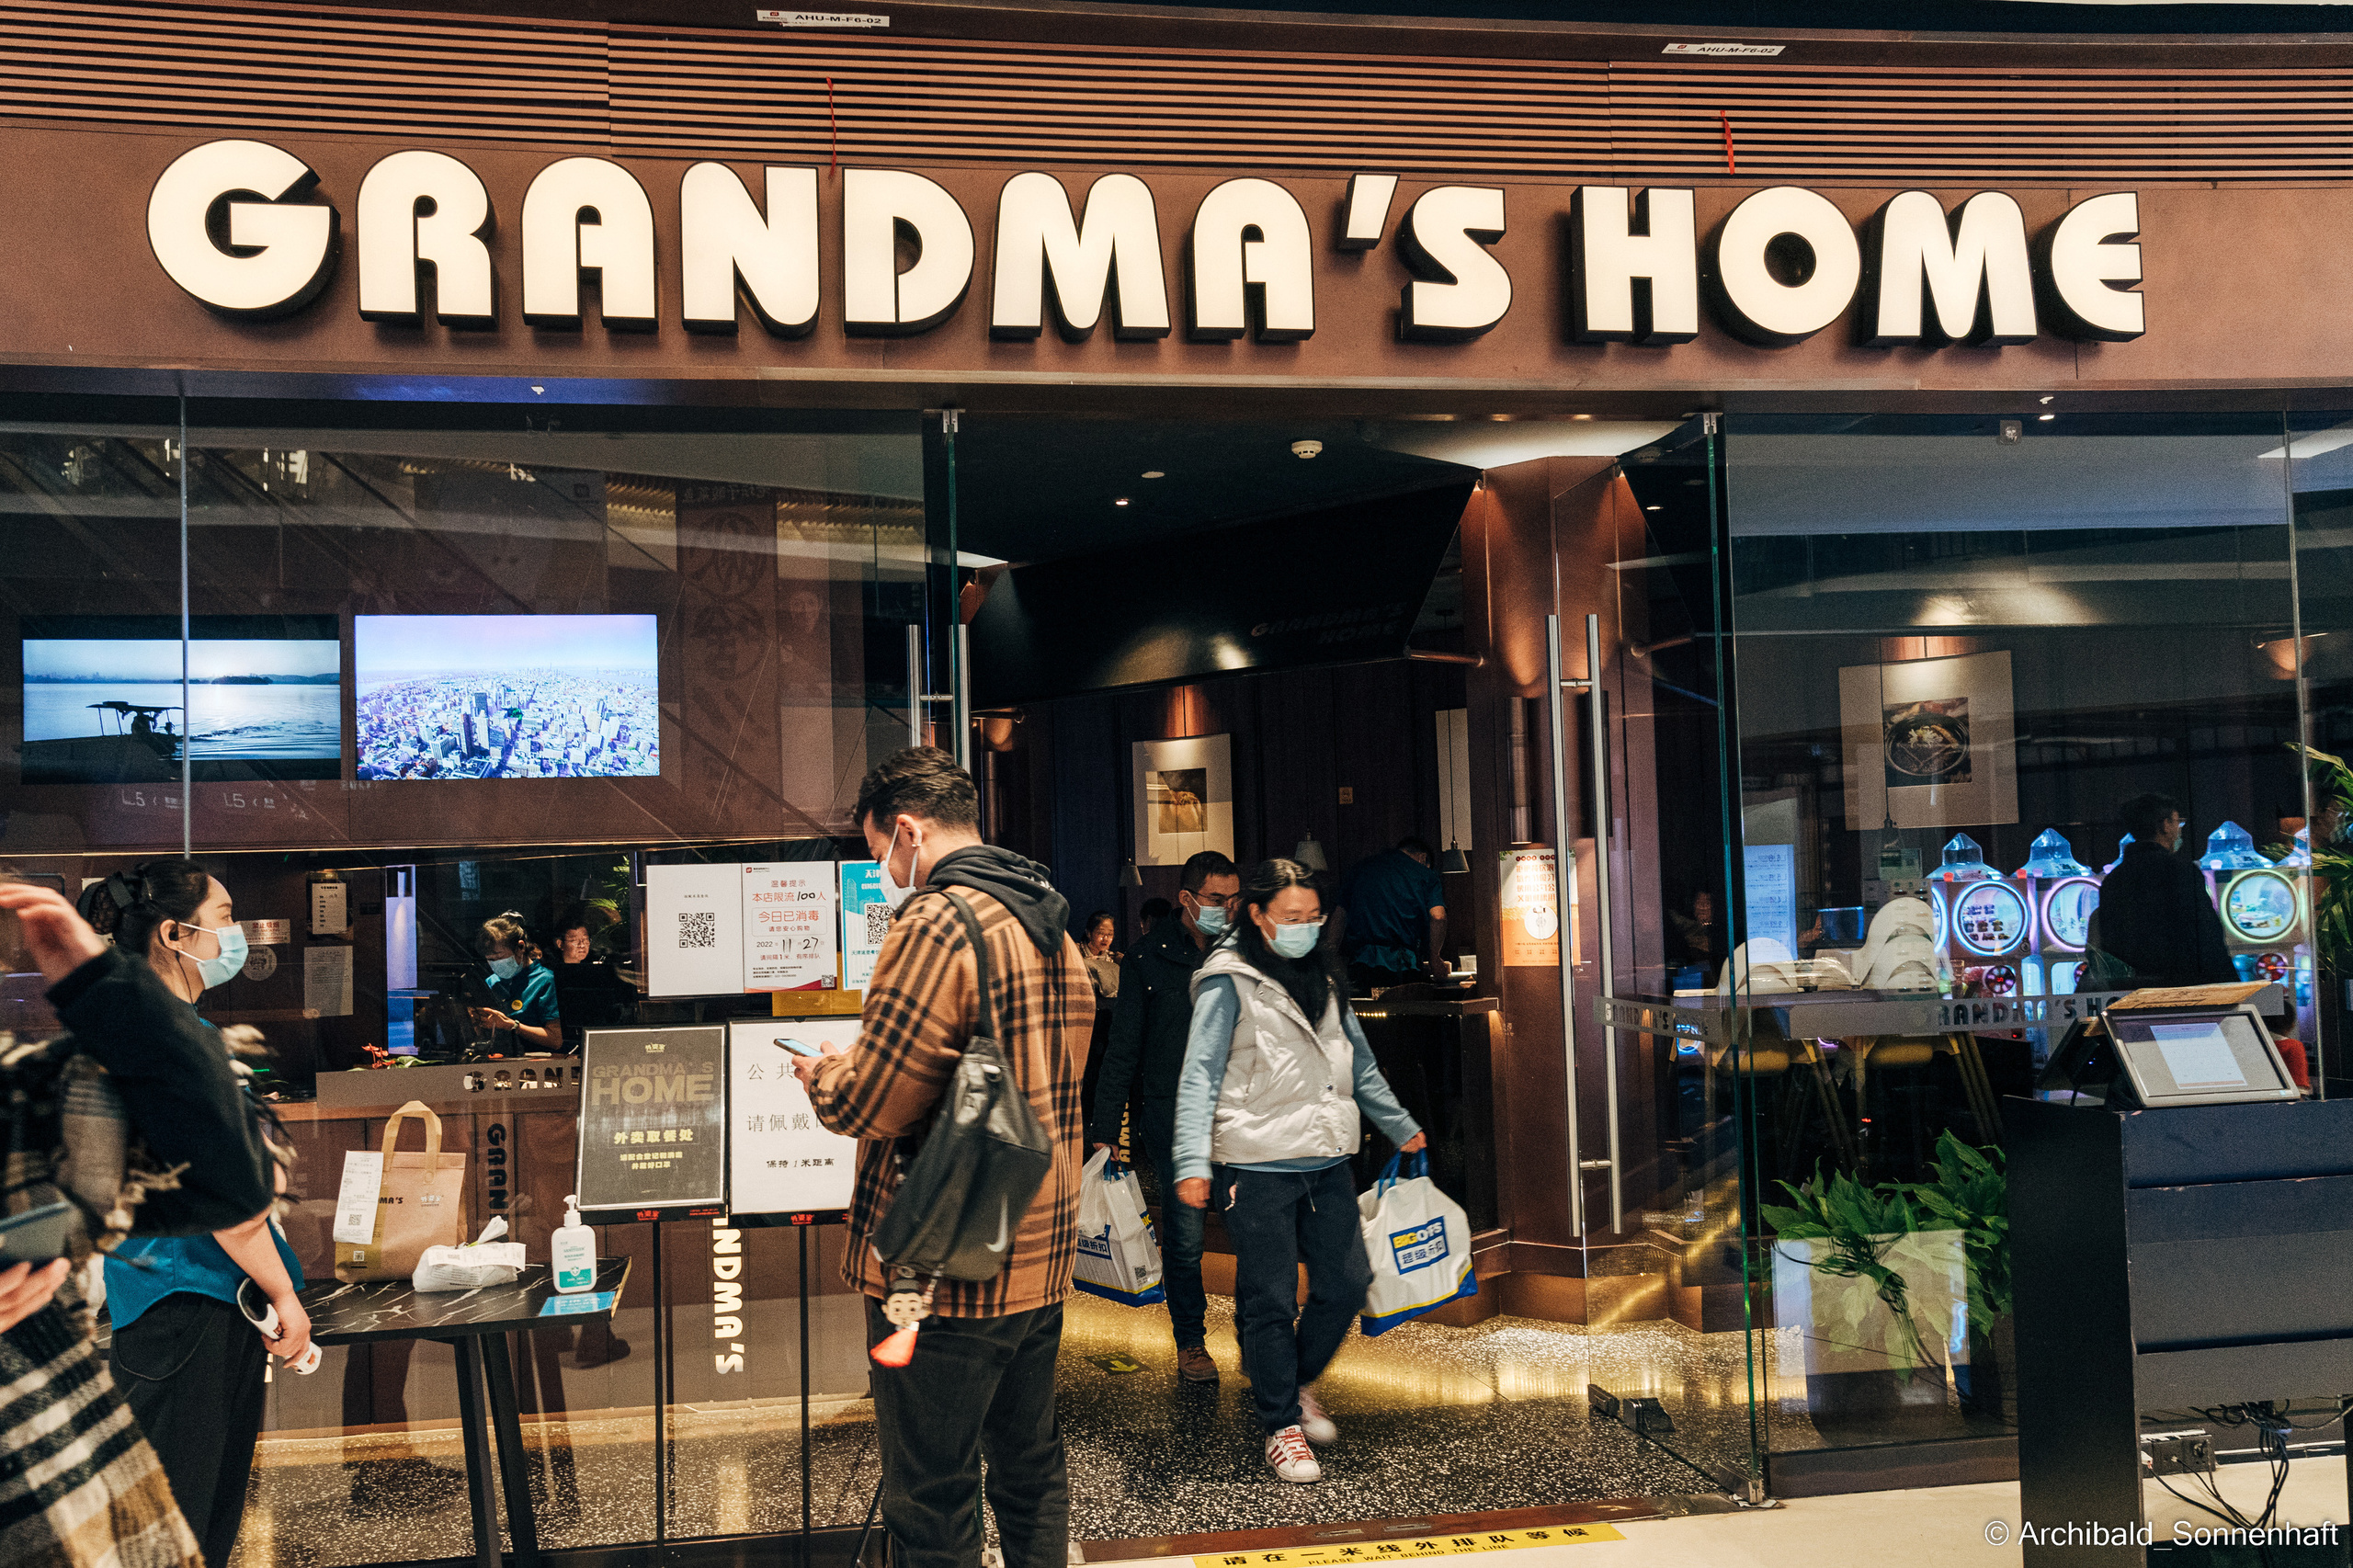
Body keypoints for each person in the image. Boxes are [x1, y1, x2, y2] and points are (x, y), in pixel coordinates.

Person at [793, 748, 1090, 1568]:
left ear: (908, 831)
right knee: (1031, 1469)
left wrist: (822, 1073)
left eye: (876, 852)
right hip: (1039, 1248)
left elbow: (871, 1103)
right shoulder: (1049, 919)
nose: (882, 872)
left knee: (931, 1492)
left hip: (946, 1268)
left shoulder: (937, 921)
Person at [0, 878, 284, 1568]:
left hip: (49, 1438)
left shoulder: (27, 1089)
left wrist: (110, 997)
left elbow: (230, 1185)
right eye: (225, 915)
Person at [77, 861, 306, 1568]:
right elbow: (229, 1210)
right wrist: (286, 1295)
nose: (237, 932)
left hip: (185, 1307)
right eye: (227, 915)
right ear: (176, 934)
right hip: (187, 1311)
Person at [1174, 858, 1426, 1484]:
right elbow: (1199, 1075)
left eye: (1313, 917)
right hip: (1255, 1164)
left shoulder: (1326, 978)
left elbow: (1360, 1067)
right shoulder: (1226, 982)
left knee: (1345, 1282)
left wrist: (1400, 1125)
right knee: (1269, 1297)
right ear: (1257, 915)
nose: (1305, 928)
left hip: (1327, 1159)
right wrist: (1190, 1161)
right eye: (1292, 918)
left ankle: (1292, 1379)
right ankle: (1280, 1423)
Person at [1084, 850, 1238, 1382]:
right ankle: (1191, 1342)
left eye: (1234, 899)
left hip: (1238, 1116)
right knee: (1187, 1236)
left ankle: (1259, 1332)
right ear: (1188, 899)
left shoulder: (1240, 953)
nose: (1228, 909)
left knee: (1254, 1228)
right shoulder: (1148, 959)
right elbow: (1123, 1049)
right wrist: (1107, 1131)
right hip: (1172, 1116)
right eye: (1218, 900)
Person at [2096, 792, 2237, 986]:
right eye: (2177, 823)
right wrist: (2228, 983)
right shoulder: (2182, 871)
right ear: (2164, 825)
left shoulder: (2113, 880)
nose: (2179, 831)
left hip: (2130, 991)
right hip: (2182, 987)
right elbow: (2207, 935)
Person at [1336, 835, 1449, 991]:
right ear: (1423, 858)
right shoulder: (1425, 874)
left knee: (1365, 1012)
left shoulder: (1360, 868)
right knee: (1403, 1012)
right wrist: (1434, 959)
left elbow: (1339, 916)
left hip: (1361, 966)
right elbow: (1438, 916)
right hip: (1402, 968)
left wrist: (1330, 959)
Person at [548, 903, 635, 1051]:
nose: (582, 945)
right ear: (560, 944)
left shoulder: (598, 970)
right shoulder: (551, 973)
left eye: (585, 939)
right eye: (574, 940)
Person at [473, 911, 562, 1052]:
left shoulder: (546, 981)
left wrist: (512, 1026)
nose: (495, 964)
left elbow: (556, 1039)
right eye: (489, 959)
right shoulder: (491, 982)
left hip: (538, 1064)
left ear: (520, 947)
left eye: (498, 957)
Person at [1078, 911, 1121, 1004]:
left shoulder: (1113, 959)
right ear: (1089, 933)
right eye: (1101, 933)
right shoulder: (1076, 952)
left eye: (1110, 934)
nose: (1105, 938)